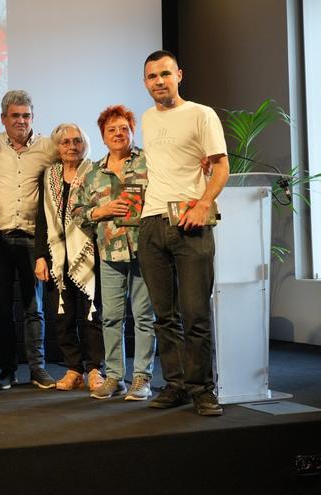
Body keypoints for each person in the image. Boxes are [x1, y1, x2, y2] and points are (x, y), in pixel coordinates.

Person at [139, 50, 229, 416]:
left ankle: (202, 389)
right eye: (152, 76)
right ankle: (175, 385)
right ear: (145, 83)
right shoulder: (146, 118)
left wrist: (204, 203)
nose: (159, 81)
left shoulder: (201, 114)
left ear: (179, 75)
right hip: (151, 223)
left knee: (195, 314)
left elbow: (221, 166)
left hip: (190, 224)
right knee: (164, 316)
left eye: (165, 74)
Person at [71, 105, 157, 401]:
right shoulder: (93, 173)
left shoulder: (149, 161)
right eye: (112, 130)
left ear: (132, 132)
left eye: (124, 128)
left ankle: (142, 378)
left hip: (146, 250)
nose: (118, 134)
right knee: (110, 318)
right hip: (109, 253)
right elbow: (77, 212)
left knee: (144, 317)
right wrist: (101, 211)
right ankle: (115, 377)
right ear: (103, 136)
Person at [0, 90, 57, 391]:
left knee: (33, 308)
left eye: (26, 115)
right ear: (3, 118)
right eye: (15, 116)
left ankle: (38, 369)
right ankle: (8, 370)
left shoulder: (48, 147)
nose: (21, 121)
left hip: (32, 239)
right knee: (2, 308)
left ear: (32, 117)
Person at [35, 123, 105, 393]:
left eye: (77, 141)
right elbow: (42, 219)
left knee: (92, 315)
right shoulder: (48, 175)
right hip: (57, 257)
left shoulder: (95, 172)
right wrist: (41, 256)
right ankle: (74, 370)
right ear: (57, 147)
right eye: (65, 142)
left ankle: (96, 369)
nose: (72, 147)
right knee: (63, 317)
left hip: (89, 254)